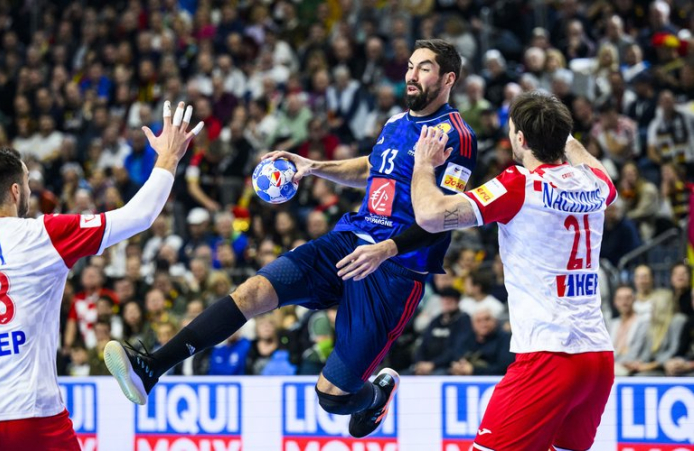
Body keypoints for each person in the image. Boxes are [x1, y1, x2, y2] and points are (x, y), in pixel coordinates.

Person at [104, 39, 477, 439]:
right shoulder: (394, 125)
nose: (411, 75)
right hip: (350, 238)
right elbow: (372, 168)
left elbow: (444, 217)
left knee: (332, 397)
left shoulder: (457, 136)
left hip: (395, 268)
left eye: (424, 68)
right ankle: (153, 367)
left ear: (448, 78)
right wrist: (314, 166)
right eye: (409, 66)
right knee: (252, 292)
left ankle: (375, 396)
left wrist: (387, 248)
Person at [0, 101, 203, 450]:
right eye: (27, 182)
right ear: (15, 191)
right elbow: (141, 214)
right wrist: (169, 157)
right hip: (33, 416)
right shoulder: (43, 235)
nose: (28, 190)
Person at [409, 91, 616, 450]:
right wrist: (564, 138)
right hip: (597, 360)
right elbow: (598, 173)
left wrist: (423, 164)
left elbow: (429, 214)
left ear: (520, 139)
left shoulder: (519, 184)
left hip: (548, 358)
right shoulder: (594, 183)